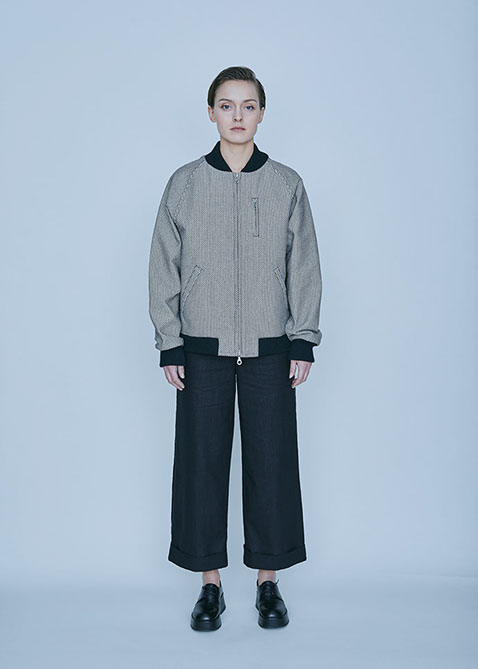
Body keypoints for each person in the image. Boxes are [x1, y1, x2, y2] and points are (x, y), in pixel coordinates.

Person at [148, 66, 323, 631]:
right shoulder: (185, 183)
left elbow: (304, 264)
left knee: (271, 465)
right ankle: (210, 585)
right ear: (211, 113)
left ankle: (268, 582)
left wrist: (303, 337)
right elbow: (163, 265)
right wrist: (171, 342)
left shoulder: (287, 184)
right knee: (201, 466)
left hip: (271, 349)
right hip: (201, 350)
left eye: (248, 106)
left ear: (262, 113)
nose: (238, 115)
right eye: (227, 105)